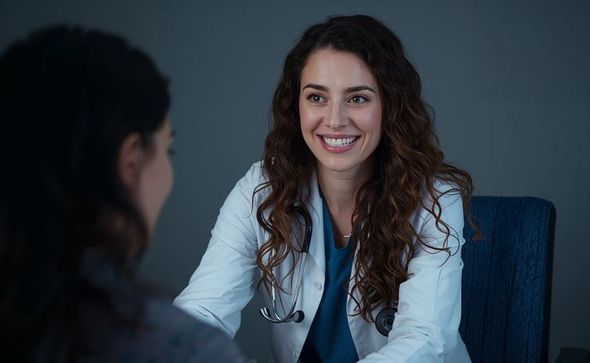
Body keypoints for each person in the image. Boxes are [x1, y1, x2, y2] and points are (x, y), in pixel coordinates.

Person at [175, 15, 473, 362]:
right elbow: (203, 312)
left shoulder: (435, 199)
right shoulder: (260, 188)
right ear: (296, 106)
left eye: (358, 99)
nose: (334, 119)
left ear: (390, 107)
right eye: (317, 97)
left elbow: (425, 339)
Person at [0, 26, 246, 363]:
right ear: (131, 160)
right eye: (167, 150)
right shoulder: (183, 348)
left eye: (349, 97)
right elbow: (205, 311)